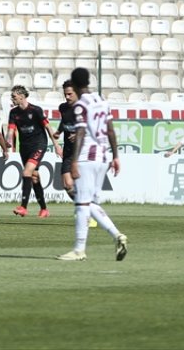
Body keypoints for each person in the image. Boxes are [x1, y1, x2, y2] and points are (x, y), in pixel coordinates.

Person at [59, 67, 128, 262]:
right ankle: (117, 236)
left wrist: (74, 161)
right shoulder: (101, 101)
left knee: (81, 203)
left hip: (86, 158)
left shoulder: (81, 106)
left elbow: (80, 133)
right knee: (91, 203)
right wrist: (116, 156)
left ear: (74, 83)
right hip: (103, 157)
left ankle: (79, 249)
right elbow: (111, 130)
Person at [8, 85, 59, 218]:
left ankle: (23, 207)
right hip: (24, 147)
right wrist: (7, 145)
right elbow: (11, 130)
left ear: (22, 96)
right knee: (34, 177)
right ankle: (44, 209)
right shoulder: (13, 113)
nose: (11, 99)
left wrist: (57, 145)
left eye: (13, 96)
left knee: (26, 172)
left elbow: (48, 127)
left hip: (38, 144)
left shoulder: (36, 110)